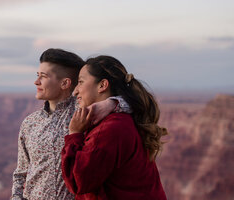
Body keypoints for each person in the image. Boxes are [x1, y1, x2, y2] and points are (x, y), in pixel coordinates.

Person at [11, 49, 130, 200]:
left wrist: (111, 103)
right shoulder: (30, 123)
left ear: (65, 83)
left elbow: (135, 105)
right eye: (37, 76)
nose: (36, 82)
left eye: (43, 76)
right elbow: (21, 172)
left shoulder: (86, 113)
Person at [61, 55, 168, 200]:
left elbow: (78, 182)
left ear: (102, 85)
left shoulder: (109, 130)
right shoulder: (123, 117)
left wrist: (74, 135)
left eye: (80, 82)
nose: (75, 91)